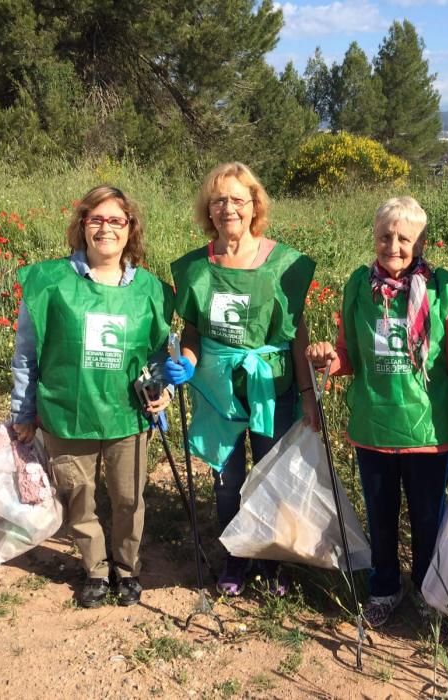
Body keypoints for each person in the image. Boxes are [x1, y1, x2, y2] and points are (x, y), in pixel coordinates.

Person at [306, 196, 448, 628]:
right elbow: (348, 355)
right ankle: (385, 587)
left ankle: (430, 590)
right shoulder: (358, 288)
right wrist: (327, 361)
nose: (393, 245)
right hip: (374, 426)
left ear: (422, 242)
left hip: (429, 432)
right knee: (381, 514)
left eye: (404, 238)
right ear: (373, 237)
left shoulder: (445, 293)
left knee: (429, 518)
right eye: (384, 236)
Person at [10, 185, 176, 608]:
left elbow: (159, 353)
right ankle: (96, 571)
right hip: (69, 413)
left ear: (130, 228)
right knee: (78, 497)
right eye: (96, 219)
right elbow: (27, 353)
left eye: (116, 220)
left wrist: (165, 391)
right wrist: (23, 412)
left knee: (128, 498)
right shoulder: (50, 282)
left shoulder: (152, 291)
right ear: (82, 225)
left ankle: (127, 569)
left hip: (128, 416)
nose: (106, 228)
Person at [165, 162, 318, 597]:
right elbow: (193, 330)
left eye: (237, 199)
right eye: (218, 200)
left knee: (272, 475)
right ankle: (235, 553)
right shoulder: (196, 268)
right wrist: (189, 363)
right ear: (207, 210)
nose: (227, 207)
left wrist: (308, 392)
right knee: (227, 477)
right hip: (217, 391)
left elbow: (296, 332)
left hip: (274, 388)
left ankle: (271, 558)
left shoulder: (283, 263)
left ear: (255, 206)